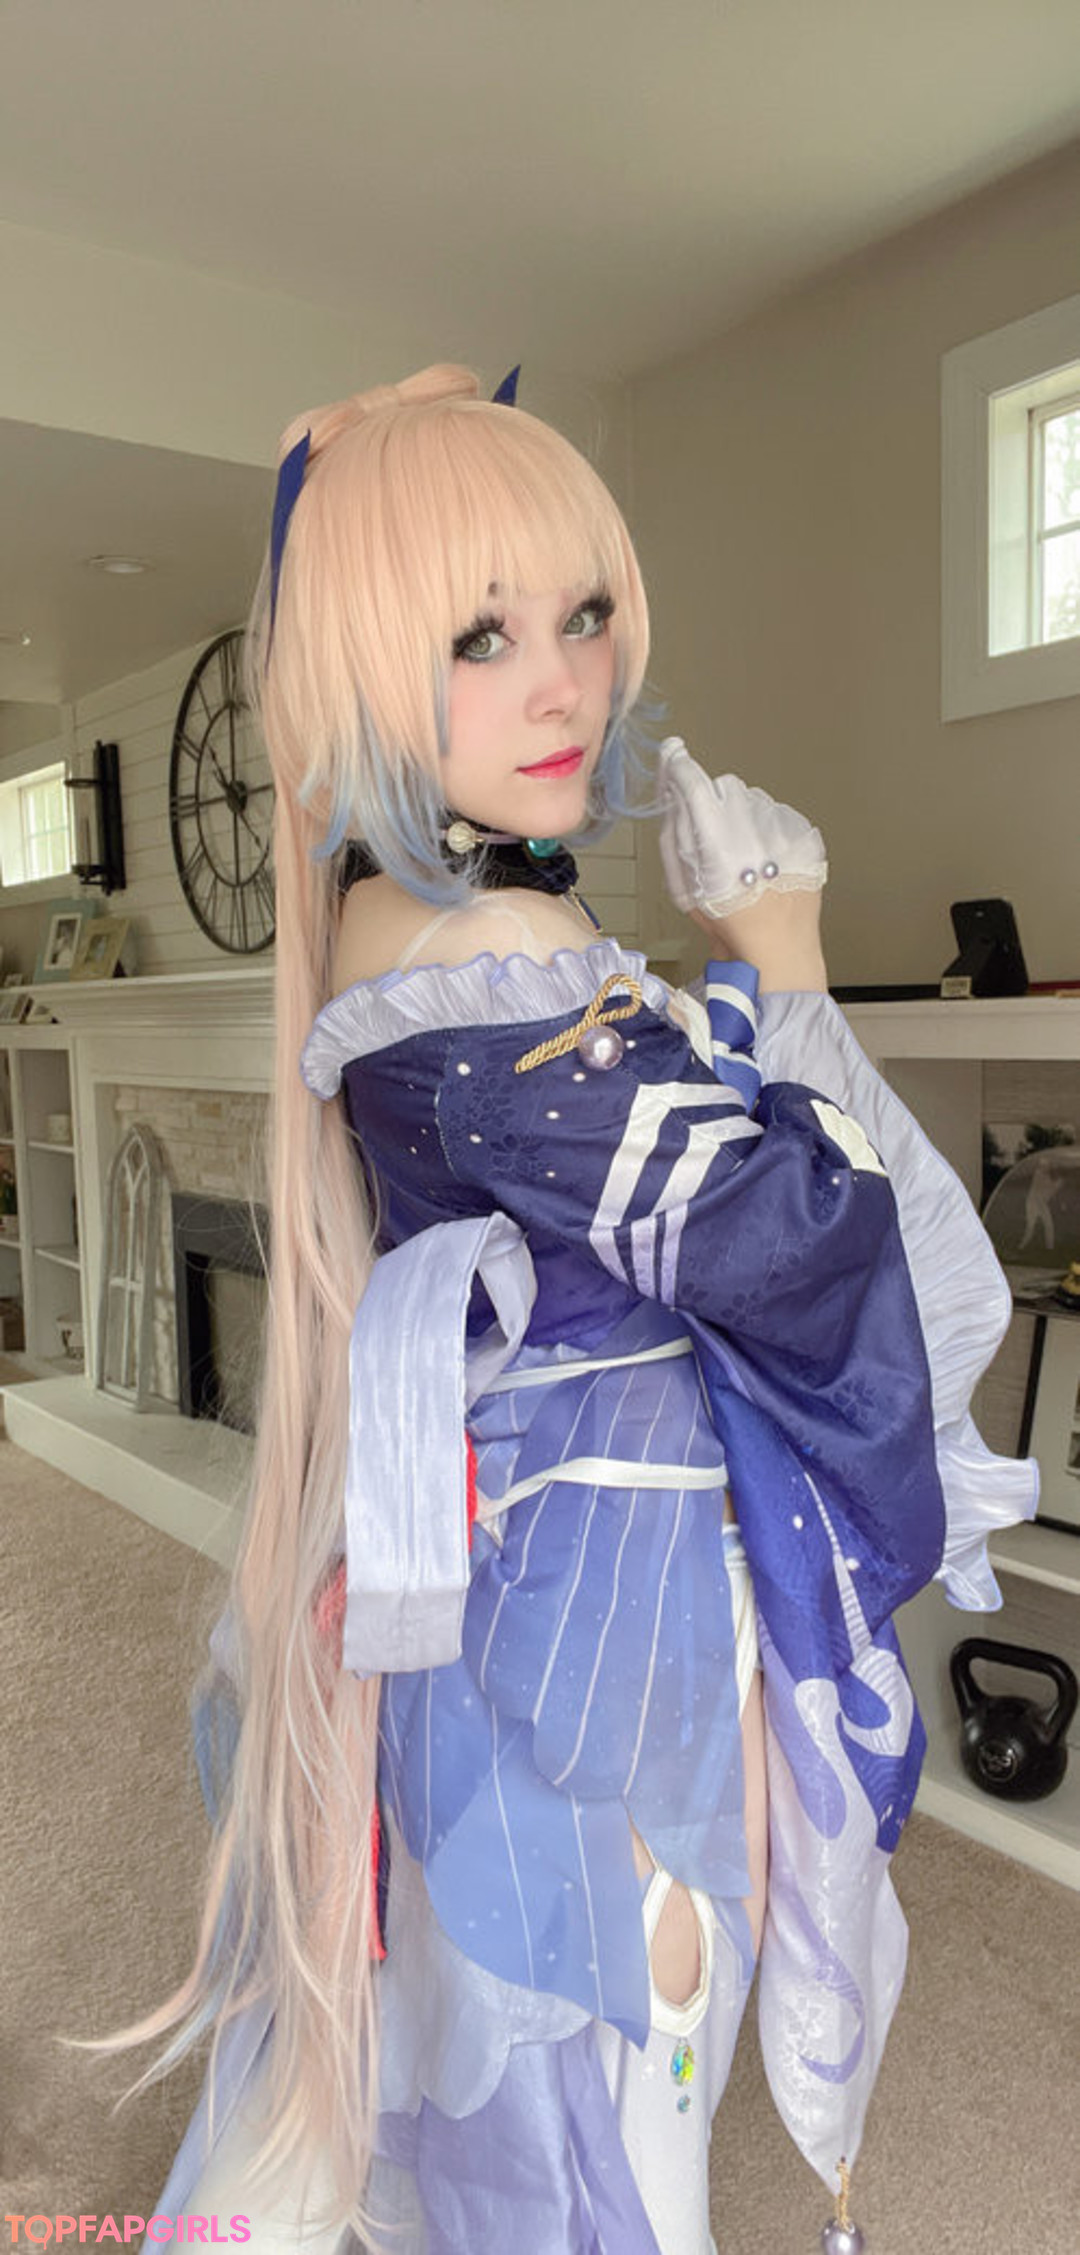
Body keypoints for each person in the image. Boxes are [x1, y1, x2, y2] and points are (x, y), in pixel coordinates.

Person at [125, 365, 1034, 2253]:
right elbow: (806, 1242)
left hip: (504, 1541)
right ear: (362, 681)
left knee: (529, 2057)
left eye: (585, 615)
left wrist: (722, 993)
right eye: (479, 637)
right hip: (600, 1593)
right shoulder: (495, 952)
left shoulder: (401, 920)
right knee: (617, 2072)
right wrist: (783, 958)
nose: (563, 685)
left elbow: (704, 1169)